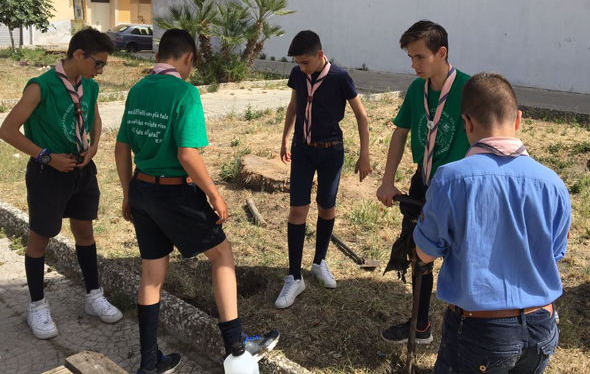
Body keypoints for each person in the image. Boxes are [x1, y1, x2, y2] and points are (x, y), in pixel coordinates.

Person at [114, 29, 279, 374]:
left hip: (141, 189)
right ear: (188, 58)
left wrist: (128, 194)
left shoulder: (137, 89)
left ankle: (149, 362)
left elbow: (121, 147)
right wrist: (214, 194)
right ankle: (236, 345)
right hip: (173, 192)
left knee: (152, 274)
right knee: (221, 253)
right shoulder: (185, 93)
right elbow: (187, 154)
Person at [414, 72, 571, 373]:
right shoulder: (553, 184)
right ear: (518, 120)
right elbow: (553, 254)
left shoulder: (450, 179)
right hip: (542, 328)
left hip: (481, 330)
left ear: (467, 123)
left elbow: (425, 252)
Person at [0, 28, 122, 340]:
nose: (100, 70)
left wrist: (93, 147)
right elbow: (8, 129)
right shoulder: (41, 87)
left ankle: (94, 295)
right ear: (79, 55)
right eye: (98, 63)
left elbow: (94, 118)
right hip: (49, 172)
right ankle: (37, 305)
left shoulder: (89, 85)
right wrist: (46, 156)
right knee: (40, 238)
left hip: (82, 170)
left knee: (85, 232)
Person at [376, 20, 470, 344]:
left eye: (420, 57)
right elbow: (400, 133)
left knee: (462, 257)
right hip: (423, 182)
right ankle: (420, 326)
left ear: (441, 52)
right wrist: (388, 181)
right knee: (419, 254)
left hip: (459, 189)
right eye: (411, 59)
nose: (414, 65)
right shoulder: (418, 89)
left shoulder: (468, 90)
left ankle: (466, 331)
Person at [275, 30, 371, 309]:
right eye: (297, 63)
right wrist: (284, 137)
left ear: (320, 55)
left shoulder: (340, 78)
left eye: (305, 62)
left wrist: (364, 155)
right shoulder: (298, 74)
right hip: (303, 150)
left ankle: (319, 262)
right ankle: (294, 276)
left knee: (326, 208)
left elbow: (361, 116)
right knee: (297, 211)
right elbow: (294, 105)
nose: (300, 67)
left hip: (331, 152)